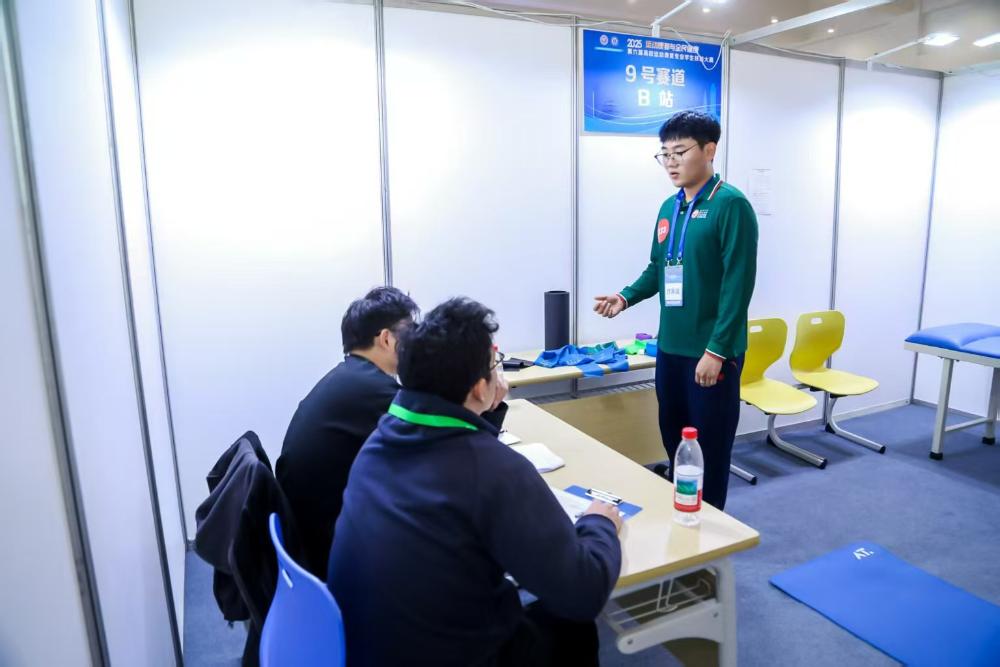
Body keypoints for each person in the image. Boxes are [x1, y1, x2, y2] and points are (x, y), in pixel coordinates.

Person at [328, 297, 622, 667]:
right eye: (494, 364)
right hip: (453, 654)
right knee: (573, 626)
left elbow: (460, 443)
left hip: (366, 646)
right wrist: (598, 523)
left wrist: (486, 409)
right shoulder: (497, 470)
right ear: (480, 388)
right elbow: (584, 591)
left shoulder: (379, 440)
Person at [594, 110, 758, 511]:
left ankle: (713, 529)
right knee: (675, 442)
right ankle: (683, 518)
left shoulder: (731, 205)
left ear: (709, 150)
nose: (670, 162)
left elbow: (738, 285)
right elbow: (658, 268)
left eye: (679, 152)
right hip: (671, 351)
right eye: (664, 154)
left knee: (709, 451)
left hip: (711, 355)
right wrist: (625, 297)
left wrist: (717, 351)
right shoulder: (669, 207)